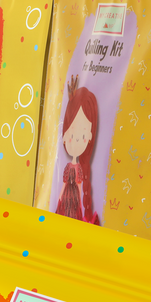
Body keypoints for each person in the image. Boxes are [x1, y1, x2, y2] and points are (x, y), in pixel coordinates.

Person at [55, 74, 100, 225]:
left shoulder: (81, 169)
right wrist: (60, 200)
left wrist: (80, 204)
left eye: (82, 137)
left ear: (89, 137)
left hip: (74, 204)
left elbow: (80, 187)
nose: (76, 140)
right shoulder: (68, 167)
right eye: (72, 135)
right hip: (67, 201)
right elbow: (63, 185)